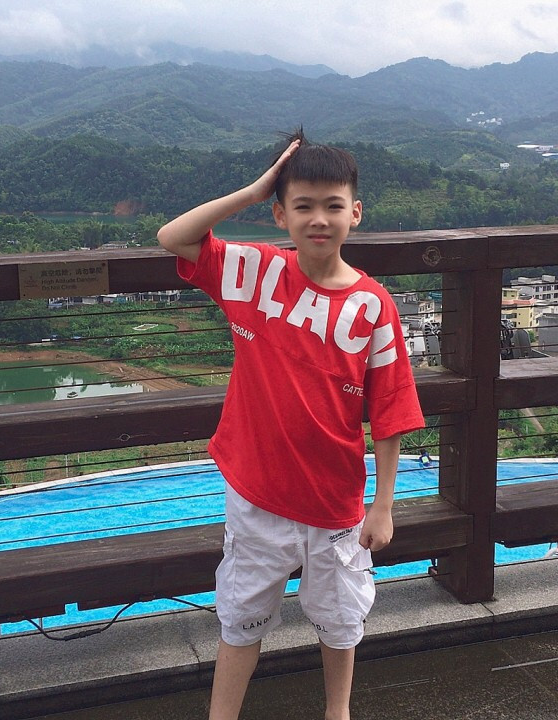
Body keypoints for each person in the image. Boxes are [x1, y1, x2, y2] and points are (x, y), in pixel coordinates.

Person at [157, 130, 424, 720]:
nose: (318, 219)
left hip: (335, 501)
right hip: (257, 494)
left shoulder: (373, 305)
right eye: (302, 205)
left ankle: (338, 712)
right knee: (241, 618)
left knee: (341, 620)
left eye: (333, 205)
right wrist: (253, 191)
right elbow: (174, 237)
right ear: (280, 214)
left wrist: (383, 505)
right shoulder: (253, 271)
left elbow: (390, 411)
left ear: (355, 212)